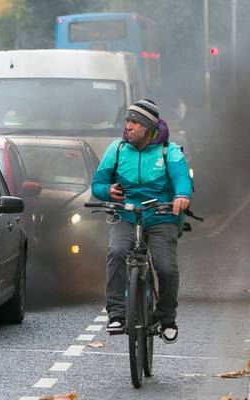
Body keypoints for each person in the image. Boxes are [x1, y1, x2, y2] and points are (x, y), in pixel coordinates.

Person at [91, 99, 193, 343]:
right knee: (116, 253)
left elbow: (182, 180)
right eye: (127, 121)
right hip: (125, 214)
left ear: (147, 127)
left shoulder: (170, 151)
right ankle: (116, 313)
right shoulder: (116, 150)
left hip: (160, 216)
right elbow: (97, 184)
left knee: (166, 268)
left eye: (134, 122)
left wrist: (181, 196)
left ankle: (167, 317)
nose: (128, 127)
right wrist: (108, 192)